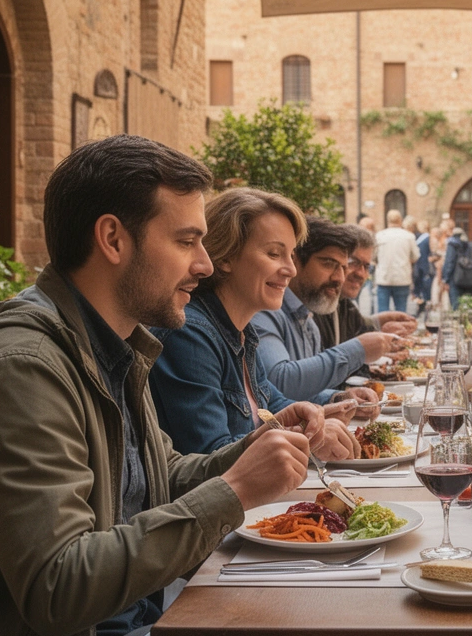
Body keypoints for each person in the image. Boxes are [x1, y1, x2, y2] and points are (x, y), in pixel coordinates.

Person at [0, 135, 354, 636]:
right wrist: (235, 489)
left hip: (137, 624)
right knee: (325, 634)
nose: (206, 265)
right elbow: (58, 588)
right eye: (187, 241)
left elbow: (163, 477)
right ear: (113, 238)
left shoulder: (115, 345)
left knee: (330, 619)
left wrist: (253, 448)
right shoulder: (20, 369)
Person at [149, 188, 376, 456]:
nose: (290, 270)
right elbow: (210, 457)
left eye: (291, 256)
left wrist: (334, 400)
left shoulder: (242, 331)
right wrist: (305, 436)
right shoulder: (191, 334)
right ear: (225, 257)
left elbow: (269, 401)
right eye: (273, 254)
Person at [252, 217, 404, 403]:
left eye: (343, 267)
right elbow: (277, 384)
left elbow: (303, 391)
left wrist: (337, 398)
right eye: (328, 264)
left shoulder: (307, 316)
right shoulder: (264, 309)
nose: (339, 277)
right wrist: (358, 350)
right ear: (296, 261)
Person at [315, 224, 417, 349]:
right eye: (354, 263)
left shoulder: (343, 304)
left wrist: (381, 321)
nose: (361, 273)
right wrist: (360, 351)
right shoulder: (317, 303)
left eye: (367, 266)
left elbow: (358, 327)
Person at [373, 209, 419, 313]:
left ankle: (383, 330)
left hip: (384, 278)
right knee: (401, 312)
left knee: (383, 313)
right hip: (402, 278)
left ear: (387, 220)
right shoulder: (408, 236)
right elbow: (416, 256)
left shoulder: (380, 236)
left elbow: (373, 257)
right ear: (401, 220)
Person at [441, 227, 472, 309]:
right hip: (468, 278)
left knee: (456, 306)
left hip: (455, 278)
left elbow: (449, 262)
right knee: (470, 305)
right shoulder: (469, 244)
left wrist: (445, 279)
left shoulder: (452, 244)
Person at [413, 219, 434, 314]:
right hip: (423, 266)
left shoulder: (424, 238)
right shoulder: (424, 238)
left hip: (422, 266)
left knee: (423, 289)